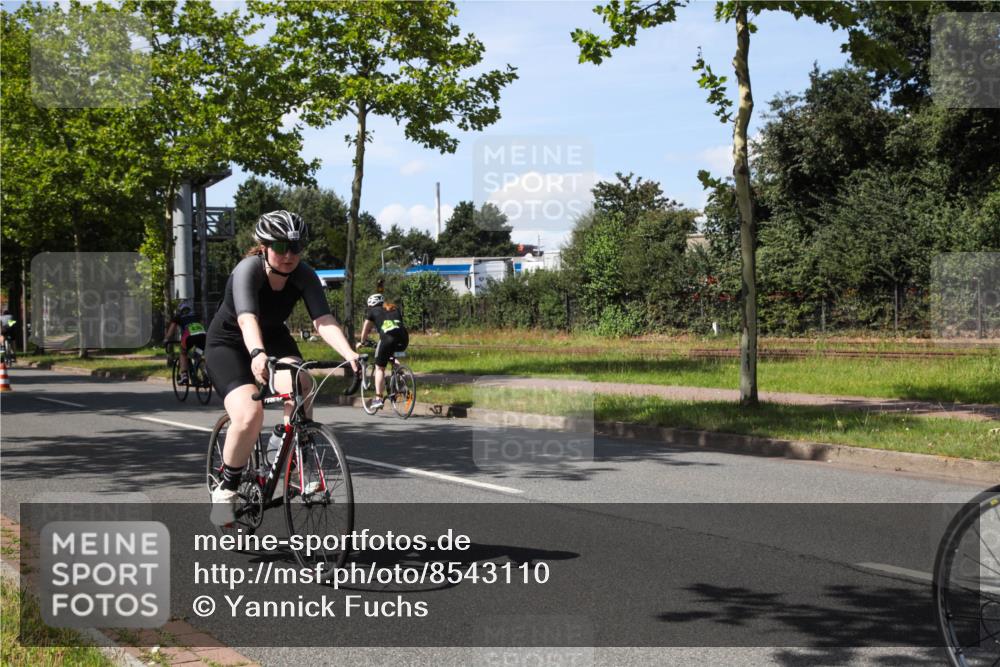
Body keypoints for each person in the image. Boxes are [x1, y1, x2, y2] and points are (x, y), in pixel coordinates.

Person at [205, 210, 359, 526]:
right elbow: (247, 319)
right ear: (263, 245)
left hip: (274, 337)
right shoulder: (247, 270)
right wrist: (257, 354)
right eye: (280, 246)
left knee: (302, 382)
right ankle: (227, 486)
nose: (289, 255)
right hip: (230, 343)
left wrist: (349, 353)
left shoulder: (303, 274)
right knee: (250, 414)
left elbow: (323, 320)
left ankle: (290, 456)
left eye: (296, 247)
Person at [358, 292, 408, 410]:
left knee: (380, 368)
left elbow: (365, 330)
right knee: (393, 357)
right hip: (403, 339)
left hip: (387, 339)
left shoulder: (372, 312)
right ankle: (401, 380)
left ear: (370, 305)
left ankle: (378, 398)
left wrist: (362, 341)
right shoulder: (394, 309)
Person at [163, 301, 205, 384]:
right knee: (197, 355)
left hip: (189, 336)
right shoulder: (196, 315)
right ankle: (206, 374)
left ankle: (184, 375)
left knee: (183, 353)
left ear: (180, 310)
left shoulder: (178, 317)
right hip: (202, 336)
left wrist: (166, 339)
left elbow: (171, 330)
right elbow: (202, 325)